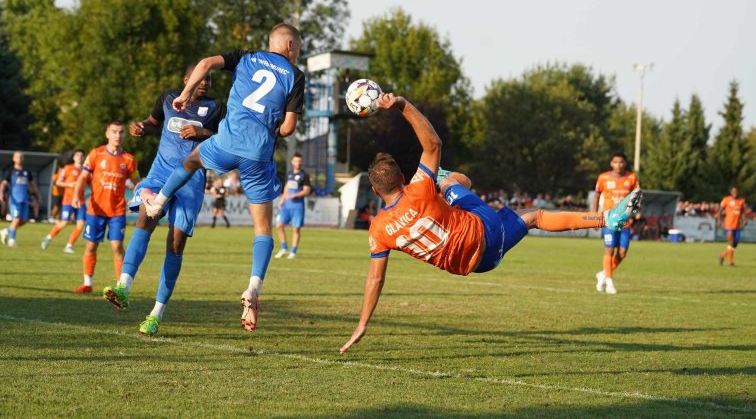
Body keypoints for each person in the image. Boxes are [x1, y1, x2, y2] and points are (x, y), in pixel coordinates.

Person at [339, 94, 641, 354]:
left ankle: (607, 218)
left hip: (478, 264)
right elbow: (433, 143)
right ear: (402, 179)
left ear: (376, 191)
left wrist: (363, 323)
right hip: (485, 229)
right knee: (457, 183)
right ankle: (606, 218)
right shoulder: (418, 186)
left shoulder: (378, 229)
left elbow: (375, 280)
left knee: (522, 214)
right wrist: (403, 105)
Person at [143, 23, 305, 332]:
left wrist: (186, 94)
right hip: (258, 153)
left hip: (227, 143)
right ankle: (253, 288)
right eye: (297, 47)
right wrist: (270, 128)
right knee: (263, 228)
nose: (297, 52)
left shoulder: (245, 57)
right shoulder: (295, 76)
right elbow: (287, 129)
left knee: (191, 161)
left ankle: (159, 200)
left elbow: (205, 64)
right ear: (289, 45)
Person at [101, 66, 224, 336]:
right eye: (200, 78)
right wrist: (141, 127)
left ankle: (156, 314)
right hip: (160, 174)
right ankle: (123, 286)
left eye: (209, 79)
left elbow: (229, 138)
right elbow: (152, 123)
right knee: (145, 218)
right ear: (186, 80)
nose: (205, 83)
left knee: (175, 244)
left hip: (191, 181)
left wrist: (202, 134)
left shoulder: (216, 107)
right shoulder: (168, 98)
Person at [71, 121, 140, 294]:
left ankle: (121, 287)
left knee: (117, 247)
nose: (118, 135)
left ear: (124, 135)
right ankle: (87, 283)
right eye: (114, 132)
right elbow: (82, 178)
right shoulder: (96, 154)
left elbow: (138, 183)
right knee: (91, 246)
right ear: (107, 133)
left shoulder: (129, 159)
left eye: (121, 132)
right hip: (95, 210)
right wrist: (76, 196)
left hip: (117, 211)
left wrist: (137, 199)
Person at [592, 152, 640, 295]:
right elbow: (596, 195)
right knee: (609, 250)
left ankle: (603, 274)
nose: (618, 164)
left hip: (625, 221)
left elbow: (636, 196)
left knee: (622, 253)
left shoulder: (631, 178)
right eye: (615, 162)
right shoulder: (603, 178)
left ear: (625, 163)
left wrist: (635, 213)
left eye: (621, 162)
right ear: (611, 163)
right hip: (609, 220)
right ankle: (610, 282)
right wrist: (594, 216)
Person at [41, 150, 87, 252]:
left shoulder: (86, 170)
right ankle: (48, 238)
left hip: (81, 202)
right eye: (77, 155)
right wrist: (69, 184)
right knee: (64, 222)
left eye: (81, 156)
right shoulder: (68, 168)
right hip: (68, 201)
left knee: (80, 225)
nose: (79, 157)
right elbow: (58, 182)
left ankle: (69, 246)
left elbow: (90, 183)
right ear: (74, 157)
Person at [0, 152, 42, 247]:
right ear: (14, 158)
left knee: (24, 220)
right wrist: (1, 193)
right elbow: (4, 183)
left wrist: (38, 195)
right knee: (17, 218)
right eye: (18, 157)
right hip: (15, 199)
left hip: (24, 199)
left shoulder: (27, 172)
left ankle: (6, 231)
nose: (20, 158)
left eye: (22, 157)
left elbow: (33, 185)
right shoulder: (11, 171)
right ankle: (11, 240)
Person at [274, 153, 311, 259]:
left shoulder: (305, 175)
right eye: (296, 161)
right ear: (292, 162)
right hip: (287, 205)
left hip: (298, 205)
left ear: (301, 162)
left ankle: (293, 251)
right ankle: (284, 248)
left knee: (296, 229)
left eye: (300, 161)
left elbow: (306, 190)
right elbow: (286, 187)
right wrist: (282, 200)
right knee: (279, 225)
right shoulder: (289, 174)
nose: (298, 163)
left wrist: (295, 194)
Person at [718, 187, 748, 267]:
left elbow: (742, 212)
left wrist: (744, 220)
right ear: (730, 192)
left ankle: (722, 256)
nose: (735, 192)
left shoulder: (741, 201)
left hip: (737, 225)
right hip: (728, 224)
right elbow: (720, 210)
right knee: (730, 243)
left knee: (735, 244)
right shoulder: (726, 199)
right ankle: (731, 263)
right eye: (733, 191)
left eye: (736, 191)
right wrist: (719, 221)